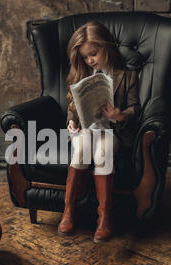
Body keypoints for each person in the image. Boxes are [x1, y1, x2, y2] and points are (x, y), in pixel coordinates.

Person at [58, 21, 142, 243]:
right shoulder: (82, 73)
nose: (90, 60)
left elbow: (136, 109)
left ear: (107, 47)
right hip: (86, 129)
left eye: (93, 54)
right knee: (82, 148)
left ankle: (104, 218)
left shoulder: (127, 76)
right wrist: (70, 123)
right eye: (86, 57)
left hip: (112, 131)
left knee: (102, 152)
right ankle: (69, 210)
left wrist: (119, 115)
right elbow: (72, 107)